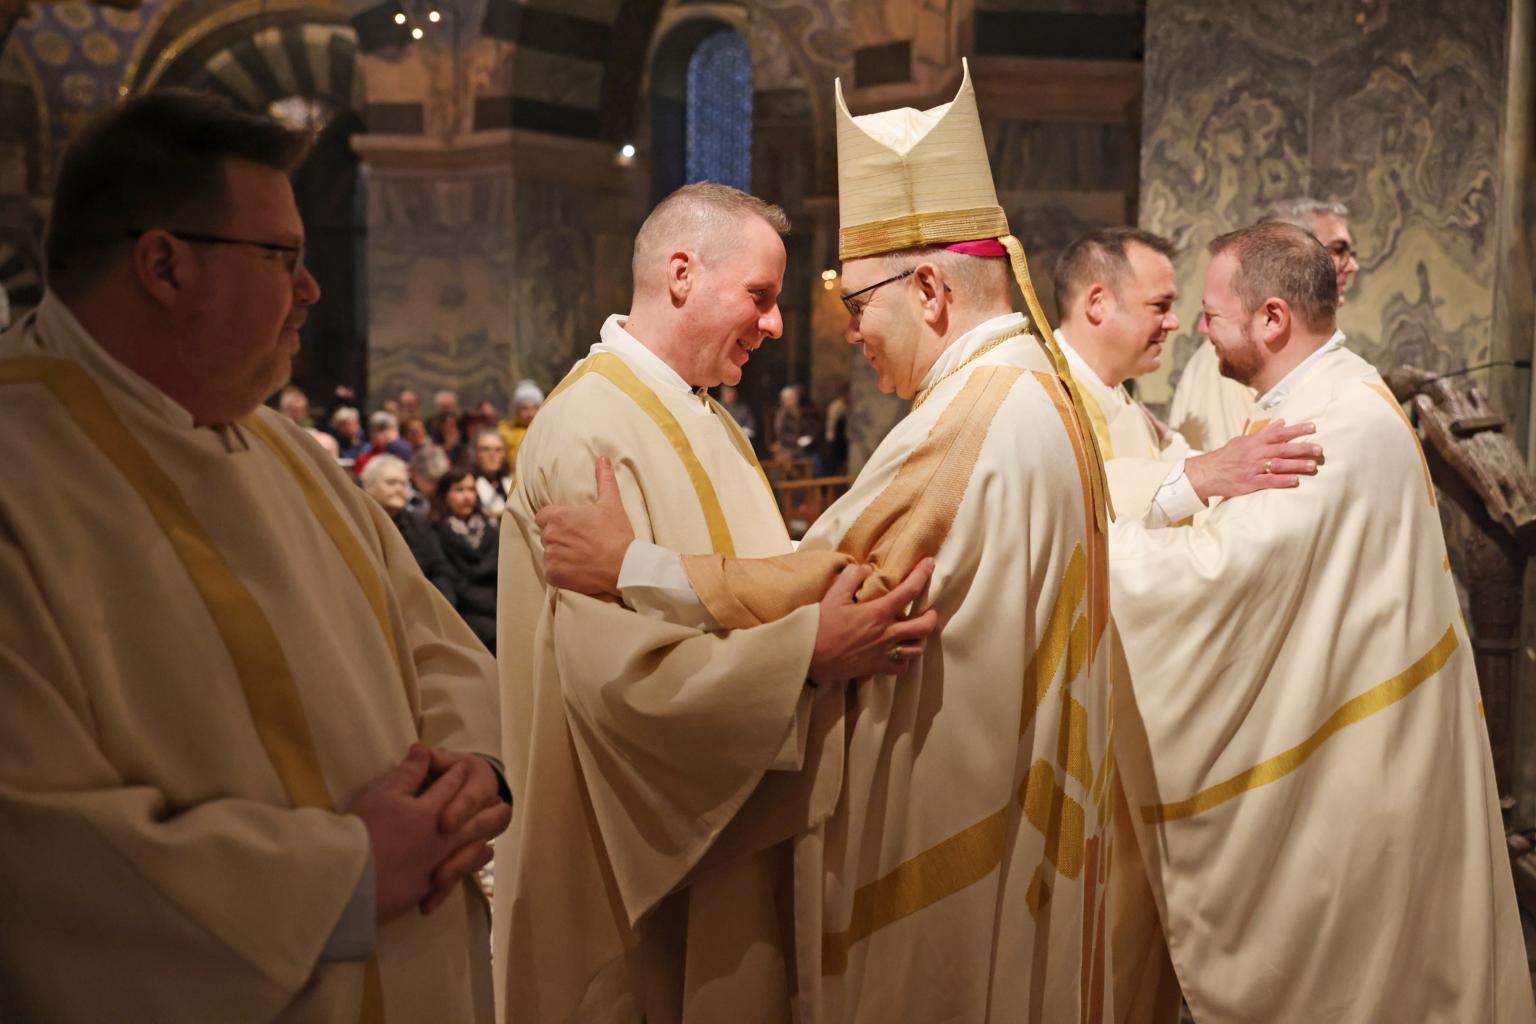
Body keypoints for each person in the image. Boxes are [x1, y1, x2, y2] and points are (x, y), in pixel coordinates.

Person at [535, 62, 1122, 1021]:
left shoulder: (975, 414)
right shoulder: (1038, 392)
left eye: (854, 303)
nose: (833, 331)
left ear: (929, 288)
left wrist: (634, 567)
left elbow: (834, 584)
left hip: (940, 828)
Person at [0, 89, 506, 1021]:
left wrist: (478, 770)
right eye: (283, 257)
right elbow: (38, 857)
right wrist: (344, 878)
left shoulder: (278, 451)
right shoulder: (22, 472)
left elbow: (435, 645)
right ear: (163, 264)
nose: (310, 289)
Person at [494, 180, 938, 1022]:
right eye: (761, 297)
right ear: (682, 273)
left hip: (732, 825)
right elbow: (618, 688)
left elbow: (750, 588)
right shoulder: (589, 428)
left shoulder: (710, 417)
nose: (776, 323)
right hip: (634, 869)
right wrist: (805, 658)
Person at [1109, 222, 1534, 1021]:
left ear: (1272, 320)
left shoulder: (1325, 429)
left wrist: (1093, 553)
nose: (1199, 329)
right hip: (1367, 749)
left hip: (1355, 776)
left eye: (1211, 312)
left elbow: (1215, 583)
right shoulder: (1335, 393)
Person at [1052, 227, 1321, 517]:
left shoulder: (1118, 398)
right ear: (1098, 304)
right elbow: (1078, 516)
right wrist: (1204, 471)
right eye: (1159, 306)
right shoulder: (1045, 400)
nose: (1174, 322)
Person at [1169, 197, 1361, 451]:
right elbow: (1232, 480)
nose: (1353, 266)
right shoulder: (1234, 359)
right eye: (1338, 250)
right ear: (1290, 252)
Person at [362, 453, 456, 603]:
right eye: (391, 483)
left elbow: (439, 568)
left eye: (404, 484)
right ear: (368, 486)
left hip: (419, 605)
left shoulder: (419, 523)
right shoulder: (359, 523)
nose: (399, 488)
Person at [431, 468, 498, 652]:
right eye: (459, 490)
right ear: (445, 495)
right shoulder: (436, 531)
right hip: (463, 609)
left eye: (471, 490)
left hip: (494, 603)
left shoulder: (490, 530)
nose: (467, 496)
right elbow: (448, 577)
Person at [496, 379, 542, 473]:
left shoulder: (546, 431)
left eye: (534, 408)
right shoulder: (504, 431)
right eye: (524, 408)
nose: (530, 413)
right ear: (516, 410)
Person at [354, 408, 411, 475]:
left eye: (390, 429)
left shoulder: (405, 455)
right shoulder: (363, 460)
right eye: (381, 430)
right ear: (371, 435)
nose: (387, 434)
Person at [471, 428, 513, 519]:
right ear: (475, 453)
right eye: (485, 449)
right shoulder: (467, 483)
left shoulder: (511, 482)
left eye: (498, 450)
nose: (492, 455)